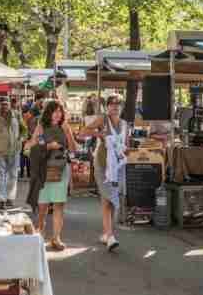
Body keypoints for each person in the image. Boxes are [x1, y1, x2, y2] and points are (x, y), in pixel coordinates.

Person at [25, 100, 77, 251]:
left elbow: (73, 148)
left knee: (59, 204)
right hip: (44, 169)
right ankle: (40, 232)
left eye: (60, 111)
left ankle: (56, 238)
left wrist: (68, 134)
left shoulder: (65, 127)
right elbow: (30, 147)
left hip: (61, 169)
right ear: (49, 112)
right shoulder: (41, 127)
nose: (58, 114)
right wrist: (48, 146)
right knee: (43, 205)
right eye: (55, 111)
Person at [82, 94, 127, 252]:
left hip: (118, 167)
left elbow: (125, 145)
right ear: (107, 106)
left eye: (118, 104)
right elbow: (83, 132)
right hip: (102, 164)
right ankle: (110, 236)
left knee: (112, 199)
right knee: (108, 199)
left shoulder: (124, 124)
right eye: (112, 104)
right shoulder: (102, 119)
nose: (115, 106)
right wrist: (99, 134)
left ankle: (107, 233)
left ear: (122, 107)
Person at [0, 97, 27, 209]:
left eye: (6, 104)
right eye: (1, 104)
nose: (4, 106)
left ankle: (10, 198)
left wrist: (21, 138)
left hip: (15, 150)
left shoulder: (16, 115)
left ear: (9, 104)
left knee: (13, 175)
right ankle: (1, 200)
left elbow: (24, 129)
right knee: (0, 176)